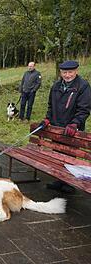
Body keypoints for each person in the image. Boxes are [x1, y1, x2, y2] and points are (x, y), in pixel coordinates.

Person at [39, 60, 91, 193]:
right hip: (56, 127)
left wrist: (75, 123)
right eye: (64, 72)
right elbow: (51, 106)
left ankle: (68, 182)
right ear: (61, 72)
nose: (67, 75)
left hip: (72, 129)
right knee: (57, 154)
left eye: (70, 72)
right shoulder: (56, 86)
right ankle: (58, 179)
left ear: (76, 71)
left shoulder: (83, 86)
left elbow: (84, 109)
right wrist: (47, 119)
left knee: (69, 156)